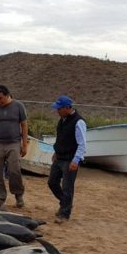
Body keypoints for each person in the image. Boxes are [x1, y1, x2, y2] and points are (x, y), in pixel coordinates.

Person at [48, 95, 87, 224]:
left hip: (70, 159)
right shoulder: (62, 120)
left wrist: (76, 160)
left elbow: (82, 144)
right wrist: (56, 151)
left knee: (67, 187)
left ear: (66, 108)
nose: (57, 111)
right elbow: (60, 138)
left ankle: (64, 214)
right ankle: (65, 203)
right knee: (52, 182)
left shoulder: (79, 122)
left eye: (59, 109)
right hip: (59, 157)